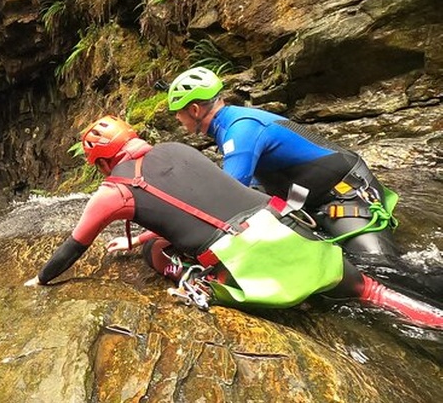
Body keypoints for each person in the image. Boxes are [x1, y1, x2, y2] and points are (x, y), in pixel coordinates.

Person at [24, 115, 443, 329]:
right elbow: (203, 201)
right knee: (373, 290)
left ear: (100, 161)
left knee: (156, 251)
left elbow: (71, 249)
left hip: (253, 266)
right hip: (291, 230)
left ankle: (197, 280)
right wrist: (131, 238)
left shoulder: (110, 194)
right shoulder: (177, 147)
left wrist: (40, 280)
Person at [165, 67, 398, 261]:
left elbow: (228, 194)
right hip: (307, 198)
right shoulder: (232, 126)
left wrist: (169, 230)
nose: (177, 118)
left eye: (178, 112)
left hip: (346, 193)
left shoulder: (241, 130)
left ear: (194, 110)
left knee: (378, 267)